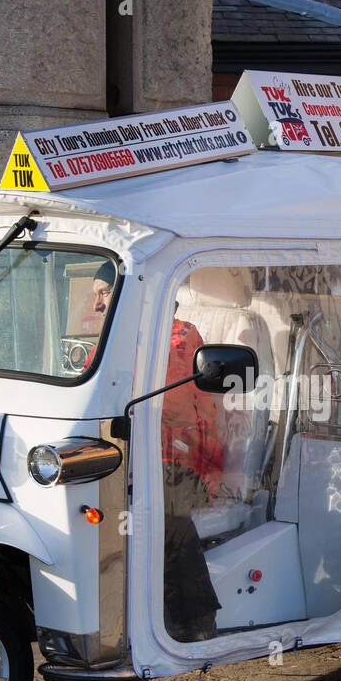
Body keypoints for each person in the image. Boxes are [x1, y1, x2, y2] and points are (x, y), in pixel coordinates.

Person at [88, 263, 223, 641]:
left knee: (163, 512)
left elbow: (170, 403)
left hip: (182, 461)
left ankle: (198, 617)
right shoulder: (112, 343)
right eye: (97, 294)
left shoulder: (179, 340)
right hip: (131, 458)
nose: (97, 304)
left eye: (104, 293)